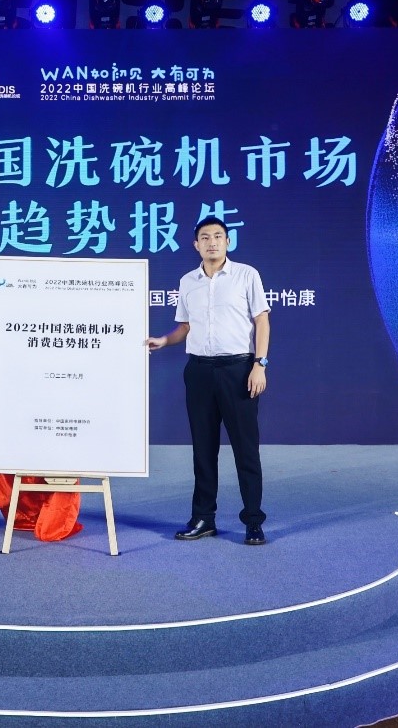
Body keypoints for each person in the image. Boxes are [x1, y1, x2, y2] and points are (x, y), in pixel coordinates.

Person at [147, 216, 271, 546]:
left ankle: (253, 521)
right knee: (203, 449)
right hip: (199, 371)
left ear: (228, 242)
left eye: (218, 236)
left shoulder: (247, 275)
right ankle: (203, 518)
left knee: (246, 449)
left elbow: (262, 321)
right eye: (205, 237)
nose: (212, 242)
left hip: (239, 370)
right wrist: (164, 341)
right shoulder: (188, 281)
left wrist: (259, 364)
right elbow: (185, 327)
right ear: (196, 245)